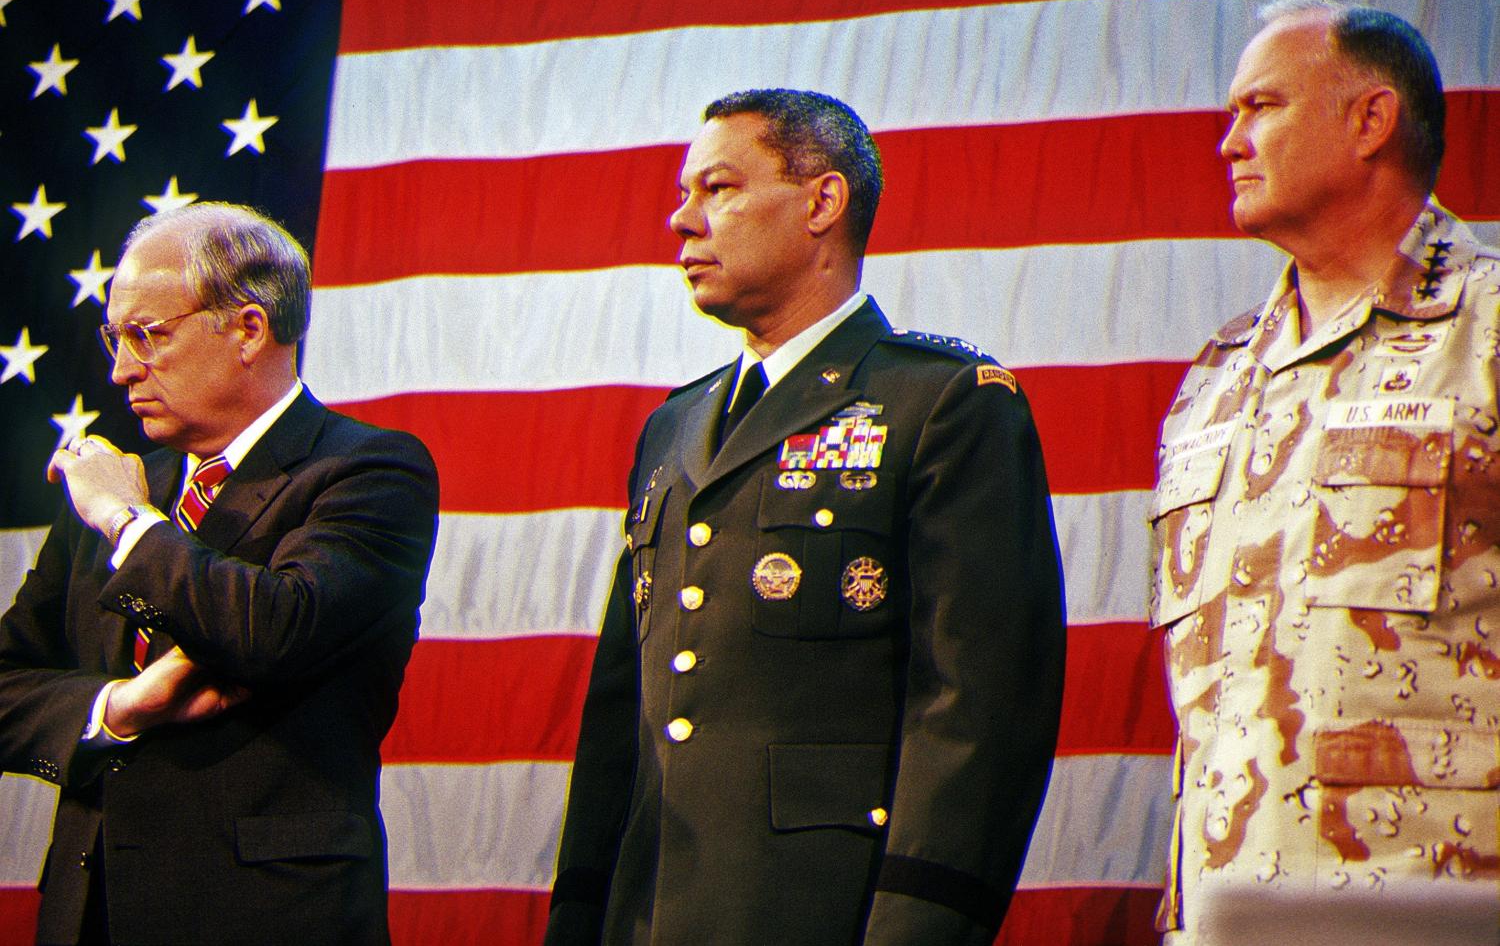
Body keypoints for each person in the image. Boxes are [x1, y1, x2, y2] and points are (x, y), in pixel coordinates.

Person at [543, 89, 1066, 945]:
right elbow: (622, 709)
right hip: (649, 910)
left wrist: (920, 927)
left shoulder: (939, 403)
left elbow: (978, 707)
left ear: (823, 203)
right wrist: (579, 915)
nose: (682, 220)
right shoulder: (673, 426)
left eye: (717, 188)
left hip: (825, 910)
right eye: (686, 195)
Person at [1150, 0, 1500, 945]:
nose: (1230, 141)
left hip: (1437, 906)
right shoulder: (1215, 382)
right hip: (1229, 911)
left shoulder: (1490, 330)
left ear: (1370, 121)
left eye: (1261, 106)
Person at [0, 203, 439, 945]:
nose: (120, 369)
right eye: (116, 337)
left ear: (247, 329)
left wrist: (128, 524)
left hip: (267, 916)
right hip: (90, 915)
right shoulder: (123, 482)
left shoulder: (368, 470)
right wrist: (118, 708)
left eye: (148, 335)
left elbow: (277, 627)